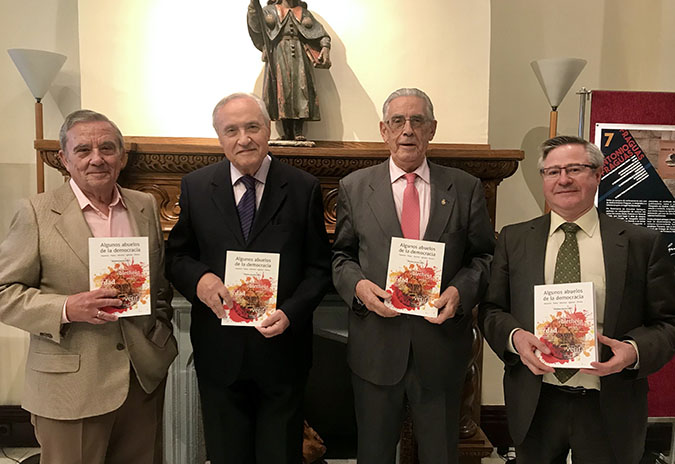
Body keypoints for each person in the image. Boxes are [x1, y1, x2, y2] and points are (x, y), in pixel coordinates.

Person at [479, 135, 675, 464]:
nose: (564, 179)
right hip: (537, 401)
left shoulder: (642, 243)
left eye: (575, 169)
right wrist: (516, 339)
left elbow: (667, 323)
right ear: (543, 179)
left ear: (598, 174)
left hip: (609, 403)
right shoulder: (514, 239)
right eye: (552, 171)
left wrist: (632, 351)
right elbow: (492, 310)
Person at [0, 110, 177, 464]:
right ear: (64, 159)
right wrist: (66, 308)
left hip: (141, 380)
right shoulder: (35, 212)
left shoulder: (144, 207)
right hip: (69, 387)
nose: (97, 159)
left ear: (122, 157)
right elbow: (4, 292)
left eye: (108, 148)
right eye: (83, 150)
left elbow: (160, 288)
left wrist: (161, 335)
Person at [331, 88, 496, 464]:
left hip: (439, 350)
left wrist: (460, 291)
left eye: (417, 121)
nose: (408, 130)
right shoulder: (355, 188)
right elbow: (340, 255)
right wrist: (357, 286)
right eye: (397, 122)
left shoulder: (465, 187)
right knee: (373, 455)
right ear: (383, 131)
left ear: (432, 129)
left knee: (440, 455)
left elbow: (485, 256)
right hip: (375, 348)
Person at [165, 92, 331, 464]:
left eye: (252, 127)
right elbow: (176, 257)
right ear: (219, 137)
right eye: (232, 130)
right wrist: (200, 280)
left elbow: (320, 269)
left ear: (268, 129)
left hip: (282, 353)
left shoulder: (303, 188)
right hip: (220, 354)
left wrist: (290, 312)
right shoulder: (196, 186)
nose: (244, 139)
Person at [247, 0, 331, 141]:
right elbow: (256, 25)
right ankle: (286, 132)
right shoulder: (269, 10)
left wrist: (325, 47)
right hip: (278, 55)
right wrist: (253, 5)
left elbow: (322, 35)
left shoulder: (304, 13)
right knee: (281, 91)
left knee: (301, 90)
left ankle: (299, 131)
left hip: (300, 56)